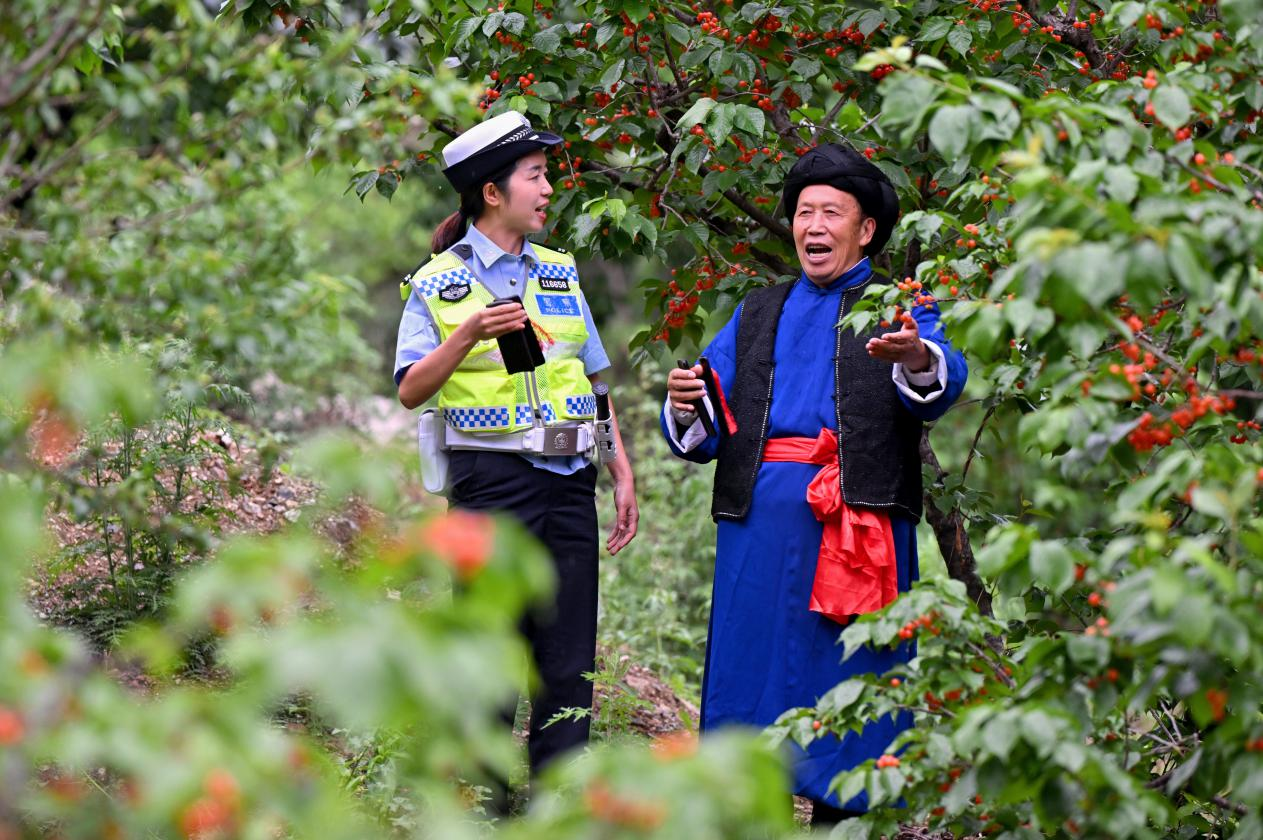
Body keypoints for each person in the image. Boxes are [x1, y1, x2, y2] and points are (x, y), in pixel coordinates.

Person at [660, 143, 967, 825]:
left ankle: (846, 827)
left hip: (858, 527)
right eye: (804, 212)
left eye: (832, 212)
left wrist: (918, 355)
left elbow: (941, 375)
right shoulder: (757, 311)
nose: (814, 226)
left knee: (853, 682)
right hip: (758, 530)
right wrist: (684, 403)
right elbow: (708, 405)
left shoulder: (899, 306)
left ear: (867, 229)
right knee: (752, 678)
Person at [394, 111, 639, 790]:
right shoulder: (436, 283)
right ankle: (484, 805)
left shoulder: (559, 273)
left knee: (568, 660)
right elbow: (410, 389)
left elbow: (592, 379)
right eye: (535, 176)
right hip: (491, 484)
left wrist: (618, 466)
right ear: (492, 192)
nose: (548, 188)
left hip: (570, 481)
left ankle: (556, 807)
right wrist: (466, 334)